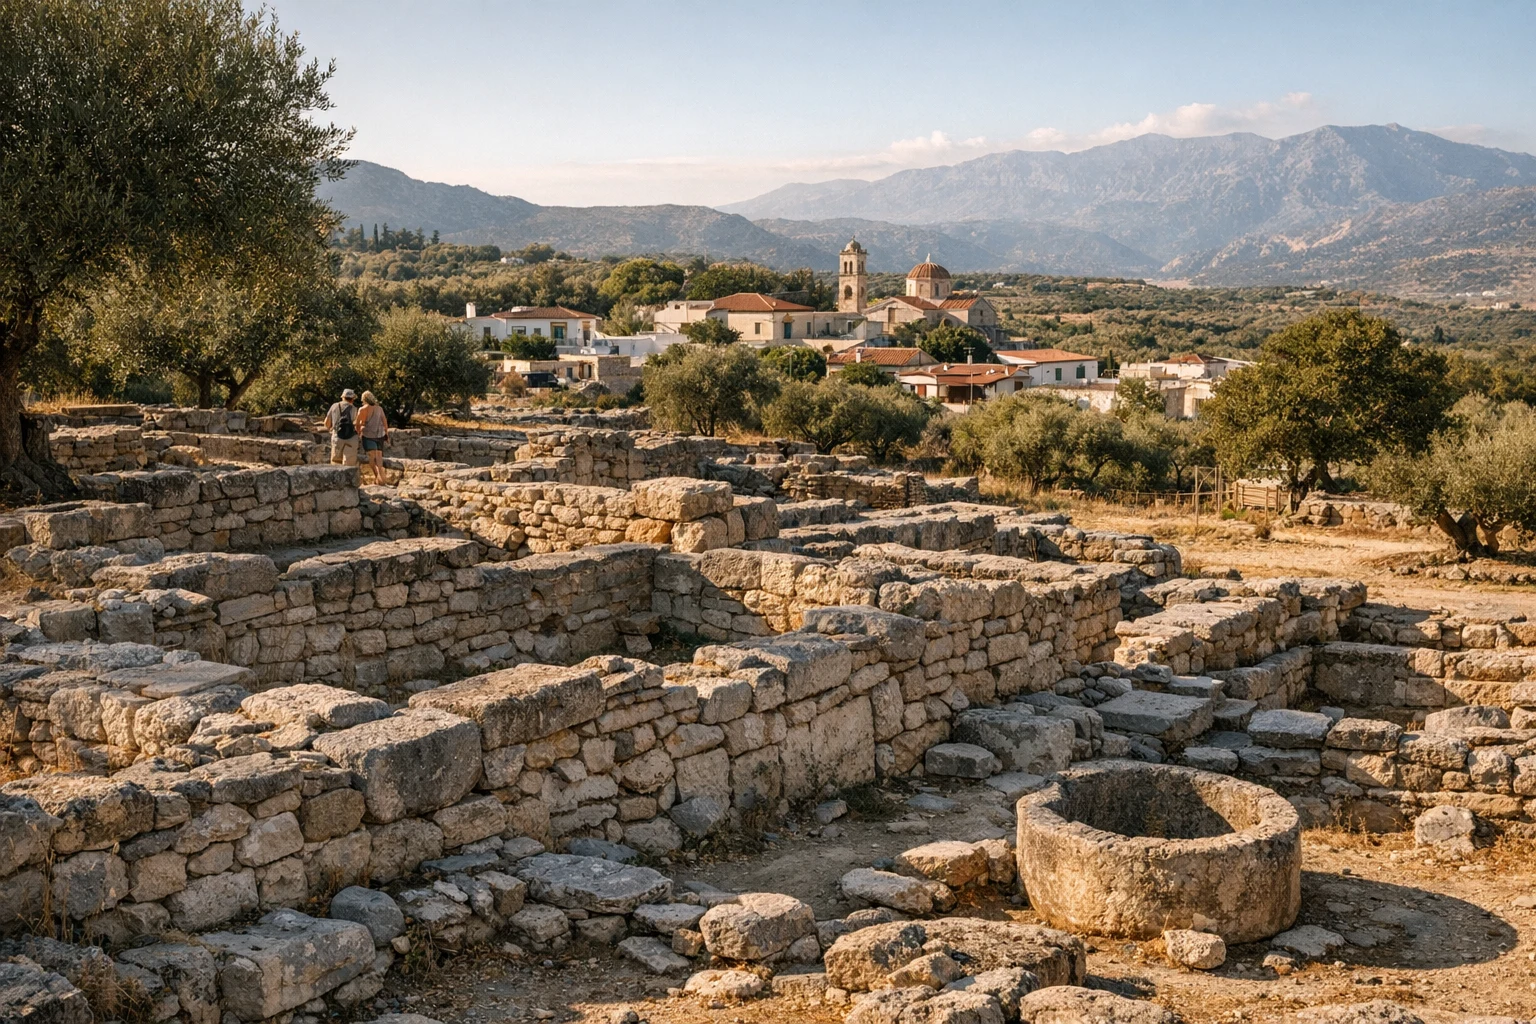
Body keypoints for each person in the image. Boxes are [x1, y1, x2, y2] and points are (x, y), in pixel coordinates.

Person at [356, 390, 390, 485]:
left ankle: (377, 478)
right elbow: (384, 421)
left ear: (364, 399)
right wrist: (386, 433)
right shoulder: (379, 408)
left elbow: (358, 423)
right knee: (379, 457)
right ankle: (382, 479)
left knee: (371, 457)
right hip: (380, 435)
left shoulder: (362, 409)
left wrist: (359, 432)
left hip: (368, 435)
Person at [323, 388, 359, 467]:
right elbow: (357, 425)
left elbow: (327, 423)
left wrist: (331, 430)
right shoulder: (355, 409)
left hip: (337, 436)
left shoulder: (335, 406)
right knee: (349, 464)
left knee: (336, 463)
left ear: (343, 397)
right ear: (352, 399)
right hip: (351, 438)